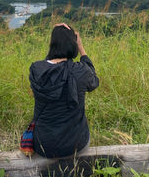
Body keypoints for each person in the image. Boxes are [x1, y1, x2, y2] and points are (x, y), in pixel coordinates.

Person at [28, 23, 99, 158]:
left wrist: (58, 38)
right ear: (74, 44)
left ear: (52, 44)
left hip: (43, 145)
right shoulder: (81, 70)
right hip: (75, 144)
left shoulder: (36, 69)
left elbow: (47, 69)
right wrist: (81, 48)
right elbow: (94, 81)